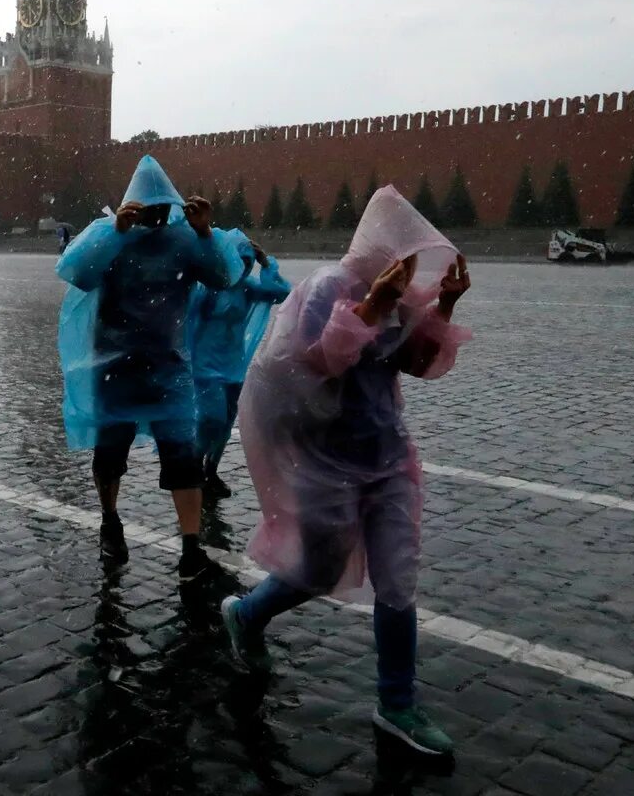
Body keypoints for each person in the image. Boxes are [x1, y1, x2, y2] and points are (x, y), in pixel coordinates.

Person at [220, 186, 471, 756]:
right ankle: (247, 615)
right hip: (326, 462)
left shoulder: (403, 298)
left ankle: (397, 703)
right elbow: (309, 366)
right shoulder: (328, 287)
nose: (407, 268)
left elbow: (418, 362)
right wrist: (370, 309)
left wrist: (444, 306)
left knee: (398, 577)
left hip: (388, 461)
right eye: (400, 255)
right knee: (318, 567)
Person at [57, 155, 243, 581]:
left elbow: (223, 276)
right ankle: (110, 521)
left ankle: (191, 548)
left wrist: (205, 232)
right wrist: (116, 233)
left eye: (161, 208)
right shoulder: (110, 235)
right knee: (110, 454)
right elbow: (75, 271)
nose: (156, 215)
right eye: (149, 207)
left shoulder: (186, 241)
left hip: (168, 370)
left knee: (183, 456)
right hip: (115, 369)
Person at [188, 230, 291, 500]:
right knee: (211, 418)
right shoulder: (209, 288)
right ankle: (192, 469)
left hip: (233, 366)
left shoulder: (248, 288)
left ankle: (210, 470)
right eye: (241, 261)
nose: (245, 267)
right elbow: (183, 316)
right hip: (205, 366)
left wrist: (266, 263)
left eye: (249, 263)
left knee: (226, 420)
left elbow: (282, 293)